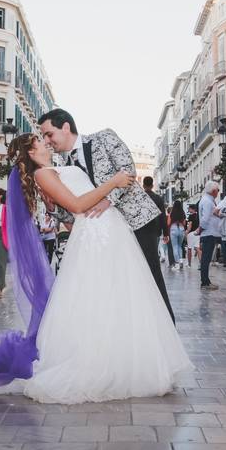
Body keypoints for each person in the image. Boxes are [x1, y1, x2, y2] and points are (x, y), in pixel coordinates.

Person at [0, 133, 192, 402]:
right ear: (31, 152)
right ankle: (101, 364)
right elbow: (76, 206)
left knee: (119, 297)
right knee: (98, 297)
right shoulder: (43, 175)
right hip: (94, 235)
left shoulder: (57, 166)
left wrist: (110, 192)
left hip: (109, 233)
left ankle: (129, 359)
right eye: (40, 139)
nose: (46, 141)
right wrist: (112, 184)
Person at [38, 108, 174, 321]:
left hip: (136, 222)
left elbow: (128, 170)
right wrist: (54, 209)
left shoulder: (104, 137)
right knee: (122, 290)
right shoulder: (63, 169)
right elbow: (75, 213)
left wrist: (107, 200)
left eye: (49, 134)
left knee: (151, 284)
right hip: (105, 234)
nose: (47, 141)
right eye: (44, 136)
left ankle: (166, 339)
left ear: (65, 127)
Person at [197, 181, 223, 290]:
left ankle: (206, 281)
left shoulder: (207, 200)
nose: (218, 192)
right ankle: (205, 283)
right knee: (206, 259)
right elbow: (205, 218)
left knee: (206, 259)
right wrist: (200, 229)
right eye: (218, 190)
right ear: (213, 191)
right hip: (208, 233)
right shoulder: (208, 202)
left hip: (209, 232)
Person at [141, 176, 169, 269]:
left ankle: (145, 269)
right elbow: (162, 217)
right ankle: (154, 269)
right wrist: (165, 233)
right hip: (154, 229)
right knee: (153, 251)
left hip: (141, 229)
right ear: (152, 185)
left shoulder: (140, 198)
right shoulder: (158, 198)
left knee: (143, 252)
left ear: (143, 185)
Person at [167, 200, 186, 271]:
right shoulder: (182, 212)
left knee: (174, 246)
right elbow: (184, 223)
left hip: (174, 228)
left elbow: (168, 223)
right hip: (181, 228)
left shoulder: (171, 213)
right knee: (179, 246)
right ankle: (181, 260)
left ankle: (177, 263)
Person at [185, 203, 200, 268]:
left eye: (189, 208)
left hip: (191, 233)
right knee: (197, 248)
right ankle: (201, 263)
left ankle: (189, 264)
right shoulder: (198, 216)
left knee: (189, 248)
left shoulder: (191, 216)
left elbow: (190, 226)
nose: (188, 209)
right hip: (197, 232)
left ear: (192, 209)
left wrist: (186, 232)